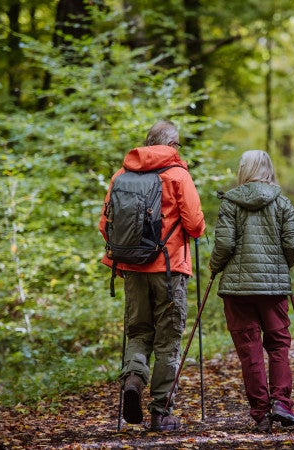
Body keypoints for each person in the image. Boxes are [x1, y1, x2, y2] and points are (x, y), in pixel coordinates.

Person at [99, 120, 205, 431]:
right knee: (168, 341)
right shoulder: (177, 175)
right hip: (169, 271)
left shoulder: (121, 176)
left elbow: (105, 225)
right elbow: (195, 225)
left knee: (138, 332)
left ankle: (133, 378)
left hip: (132, 269)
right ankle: (161, 411)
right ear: (172, 145)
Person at [208, 150, 294, 433]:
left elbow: (224, 245)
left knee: (249, 349)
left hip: (238, 290)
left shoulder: (231, 202)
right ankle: (281, 402)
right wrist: (282, 267)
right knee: (278, 344)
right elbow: (292, 246)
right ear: (268, 168)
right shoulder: (282, 202)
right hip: (273, 288)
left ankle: (261, 413)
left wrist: (214, 267)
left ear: (243, 170)